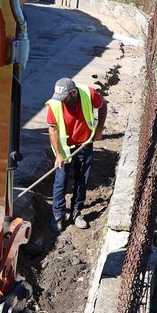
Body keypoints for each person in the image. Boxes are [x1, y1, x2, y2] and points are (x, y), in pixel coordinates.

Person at [47, 77, 106, 231]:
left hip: (84, 144)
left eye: (65, 98)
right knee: (61, 180)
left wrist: (99, 129)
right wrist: (58, 155)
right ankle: (58, 215)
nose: (62, 102)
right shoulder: (55, 104)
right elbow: (52, 129)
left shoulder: (89, 94)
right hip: (64, 149)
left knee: (82, 179)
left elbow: (103, 105)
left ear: (73, 93)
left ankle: (76, 212)